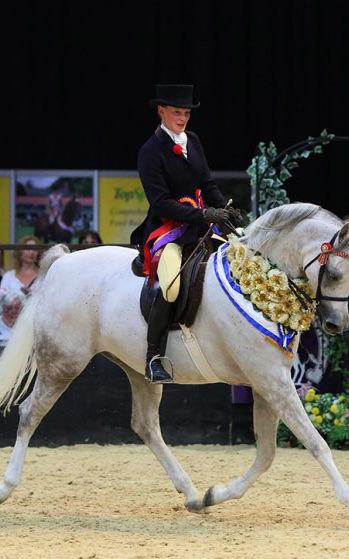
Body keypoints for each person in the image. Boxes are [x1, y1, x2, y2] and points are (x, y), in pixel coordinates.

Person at [130, 84, 241, 383]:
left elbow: (206, 183)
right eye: (177, 112)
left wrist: (227, 210)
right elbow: (161, 201)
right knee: (170, 284)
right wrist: (204, 214)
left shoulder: (192, 140)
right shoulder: (150, 151)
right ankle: (153, 357)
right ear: (161, 111)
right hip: (168, 229)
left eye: (187, 113)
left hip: (200, 225)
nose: (182, 118)